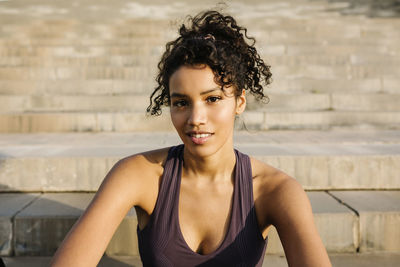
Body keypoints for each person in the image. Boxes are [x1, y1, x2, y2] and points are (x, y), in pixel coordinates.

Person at [50, 10, 332, 267]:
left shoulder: (275, 191)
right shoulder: (139, 175)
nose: (196, 118)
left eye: (212, 99)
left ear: (240, 102)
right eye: (181, 102)